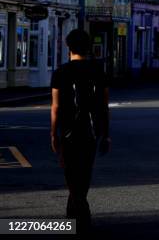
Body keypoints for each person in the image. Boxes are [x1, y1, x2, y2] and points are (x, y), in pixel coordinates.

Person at [50, 29, 110, 232]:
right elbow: (103, 105)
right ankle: (76, 218)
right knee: (83, 176)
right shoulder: (98, 71)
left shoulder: (60, 72)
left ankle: (79, 220)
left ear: (69, 47)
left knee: (72, 176)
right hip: (90, 132)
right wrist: (106, 133)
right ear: (88, 48)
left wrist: (53, 134)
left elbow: (56, 107)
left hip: (68, 132)